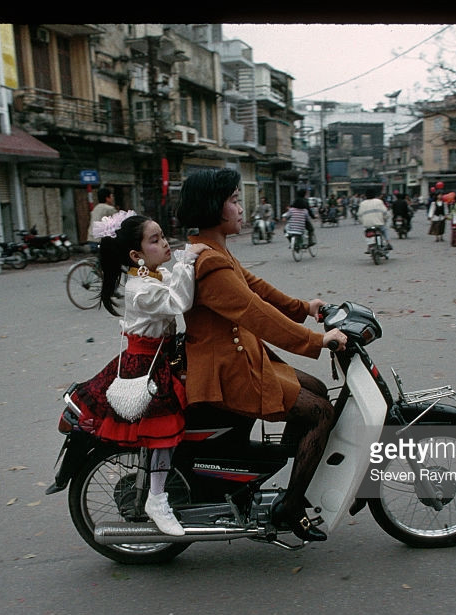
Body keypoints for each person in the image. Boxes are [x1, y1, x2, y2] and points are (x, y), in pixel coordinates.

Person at [175, 168, 348, 542]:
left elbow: (259, 289)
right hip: (228, 372)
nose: (241, 208)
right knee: (321, 412)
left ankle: (274, 473)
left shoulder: (214, 249)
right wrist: (317, 341)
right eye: (235, 201)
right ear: (213, 207)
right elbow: (256, 313)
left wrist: (306, 307)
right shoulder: (211, 263)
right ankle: (291, 504)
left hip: (240, 359)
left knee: (316, 386)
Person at [69, 209, 210, 536]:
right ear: (136, 254)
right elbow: (179, 301)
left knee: (166, 430)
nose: (165, 244)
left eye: (162, 236)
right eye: (155, 240)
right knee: (163, 432)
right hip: (144, 366)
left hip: (158, 359)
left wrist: (182, 264)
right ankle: (157, 499)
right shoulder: (141, 289)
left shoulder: (149, 277)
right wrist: (187, 260)